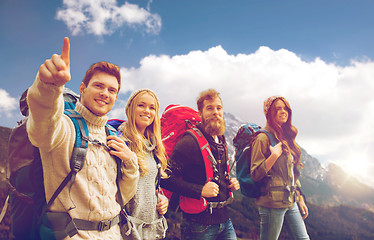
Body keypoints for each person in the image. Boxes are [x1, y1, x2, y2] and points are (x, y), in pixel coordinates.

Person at [26, 37, 139, 239]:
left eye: (112, 90)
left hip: (114, 234)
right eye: (98, 86)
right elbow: (42, 127)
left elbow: (121, 196)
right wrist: (48, 87)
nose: (105, 93)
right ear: (82, 88)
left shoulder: (112, 135)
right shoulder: (64, 126)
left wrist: (130, 163)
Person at [161, 89, 240, 240]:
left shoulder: (221, 139)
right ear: (200, 113)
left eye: (218, 108)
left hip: (225, 221)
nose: (216, 112)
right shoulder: (189, 142)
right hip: (198, 226)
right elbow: (165, 178)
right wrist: (200, 190)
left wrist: (229, 183)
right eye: (209, 108)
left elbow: (213, 173)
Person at [250, 96, 310, 240]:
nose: (283, 112)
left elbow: (292, 173)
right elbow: (255, 174)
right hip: (272, 203)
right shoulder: (262, 138)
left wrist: (300, 198)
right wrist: (274, 156)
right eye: (278, 109)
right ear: (269, 113)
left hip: (290, 200)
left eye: (285, 108)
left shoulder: (285, 138)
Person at [116, 89, 169, 239]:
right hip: (127, 229)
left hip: (152, 228)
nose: (147, 111)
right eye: (141, 105)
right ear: (130, 108)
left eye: (152, 108)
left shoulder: (154, 146)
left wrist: (162, 199)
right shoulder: (120, 141)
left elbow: (151, 184)